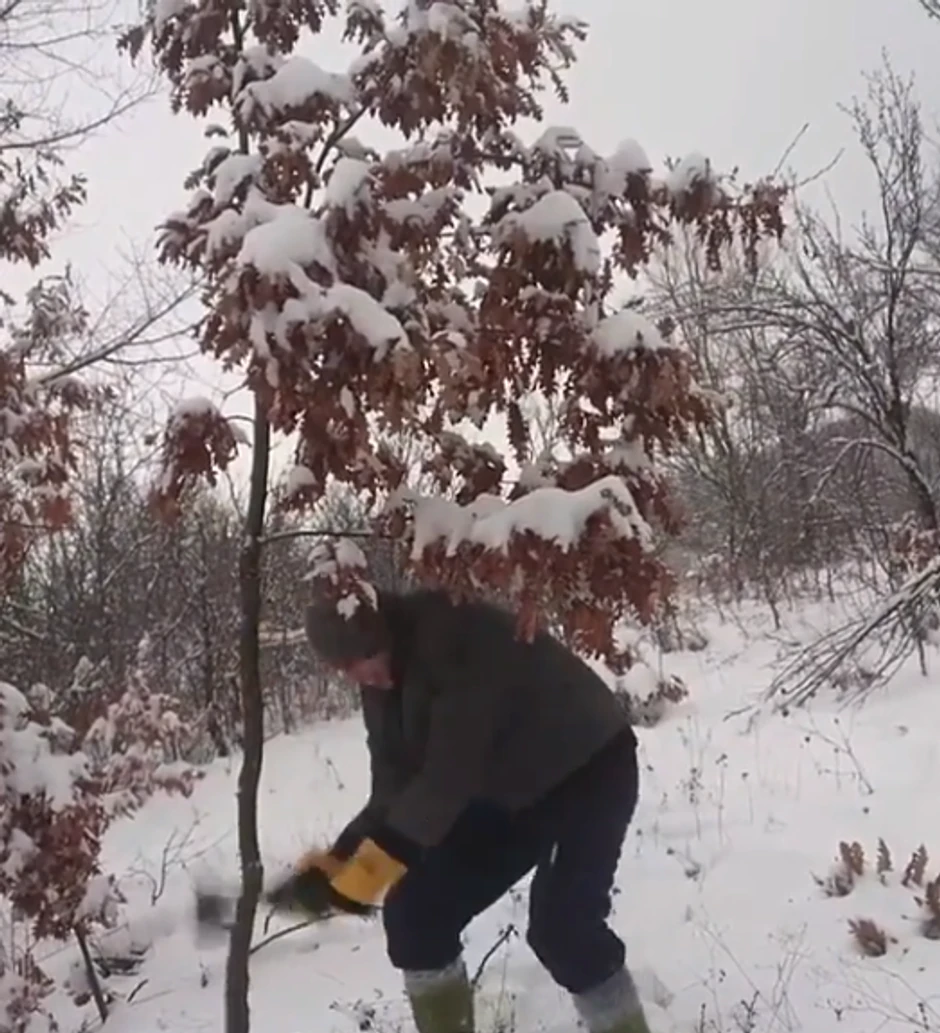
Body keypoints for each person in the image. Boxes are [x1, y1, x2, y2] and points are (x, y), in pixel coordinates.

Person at [269, 585, 651, 1033]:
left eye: (365, 658)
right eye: (347, 669)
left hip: (586, 768)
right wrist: (338, 862)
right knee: (416, 912)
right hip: (509, 789)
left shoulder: (456, 638)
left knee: (564, 930)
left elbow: (450, 775)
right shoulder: (382, 682)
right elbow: (395, 789)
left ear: (385, 632)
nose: (363, 677)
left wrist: (371, 872)